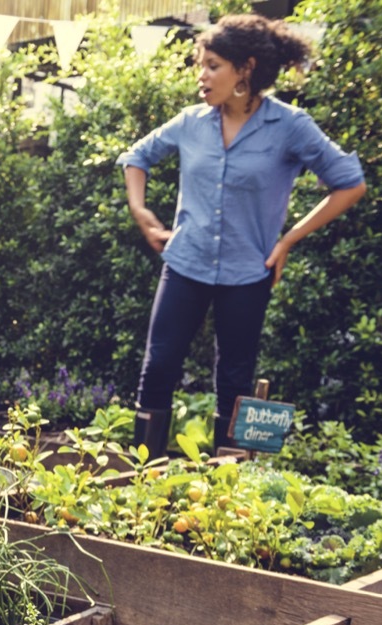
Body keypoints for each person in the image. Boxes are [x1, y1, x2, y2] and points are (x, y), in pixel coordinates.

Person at [118, 13, 365, 456]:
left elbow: (350, 182)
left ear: (245, 70)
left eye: (212, 64)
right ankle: (141, 480)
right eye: (201, 64)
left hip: (248, 272)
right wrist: (141, 209)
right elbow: (137, 157)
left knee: (234, 381)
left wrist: (289, 239)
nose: (202, 75)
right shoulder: (191, 122)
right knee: (158, 369)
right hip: (186, 262)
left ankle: (226, 492)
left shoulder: (289, 126)